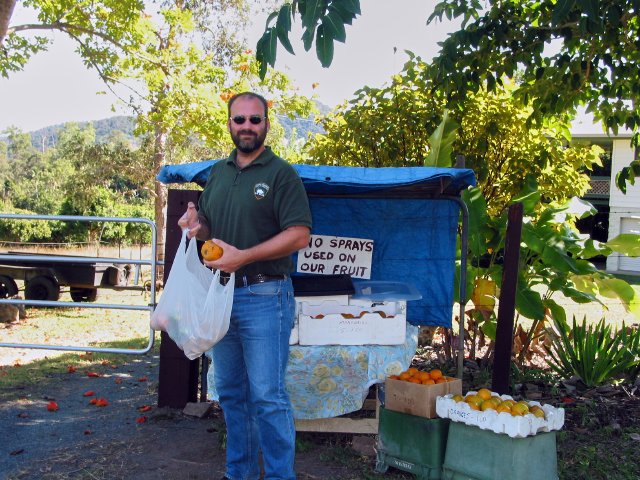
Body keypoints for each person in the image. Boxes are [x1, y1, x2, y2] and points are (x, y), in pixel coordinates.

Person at [178, 92, 312, 480]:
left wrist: (245, 256)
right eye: (240, 120)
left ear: (267, 124)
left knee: (268, 398)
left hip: (266, 295)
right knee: (232, 395)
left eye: (255, 120)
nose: (247, 127)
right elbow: (210, 227)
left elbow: (300, 235)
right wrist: (196, 224)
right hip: (220, 296)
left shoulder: (280, 174)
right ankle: (239, 474)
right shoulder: (218, 173)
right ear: (230, 124)